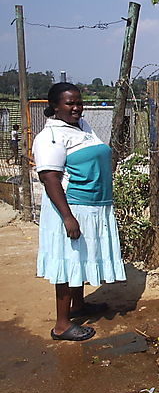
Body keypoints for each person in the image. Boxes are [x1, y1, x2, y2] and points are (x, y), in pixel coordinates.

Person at [33, 82, 126, 341]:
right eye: (69, 103)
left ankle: (79, 306)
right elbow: (50, 178)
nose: (76, 107)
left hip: (94, 206)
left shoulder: (82, 128)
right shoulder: (50, 137)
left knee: (78, 259)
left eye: (78, 102)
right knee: (67, 262)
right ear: (54, 107)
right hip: (72, 207)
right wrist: (67, 216)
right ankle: (62, 325)